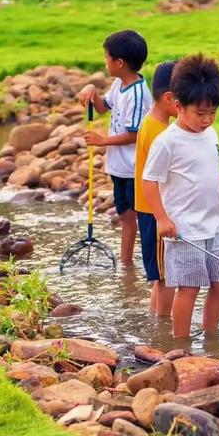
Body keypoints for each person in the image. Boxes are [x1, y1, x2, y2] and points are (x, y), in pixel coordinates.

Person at [142, 54, 219, 339]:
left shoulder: (211, 134)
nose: (207, 119)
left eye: (212, 112)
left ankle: (211, 334)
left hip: (215, 225)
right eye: (200, 113)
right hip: (184, 229)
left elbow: (215, 175)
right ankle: (181, 342)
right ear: (177, 106)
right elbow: (149, 181)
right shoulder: (167, 141)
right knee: (189, 287)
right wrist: (162, 218)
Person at [78, 29, 152, 266]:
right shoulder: (119, 83)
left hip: (133, 167)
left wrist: (102, 141)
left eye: (106, 58)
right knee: (125, 216)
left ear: (119, 62)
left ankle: (151, 260)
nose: (105, 62)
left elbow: (135, 134)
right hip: (118, 167)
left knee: (140, 217)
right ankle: (126, 265)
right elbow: (103, 107)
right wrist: (91, 89)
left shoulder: (139, 93)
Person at [134, 61, 178, 316]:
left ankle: (155, 321)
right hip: (155, 211)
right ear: (169, 98)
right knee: (164, 277)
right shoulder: (160, 133)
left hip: (149, 210)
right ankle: (162, 328)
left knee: (158, 276)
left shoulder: (153, 122)